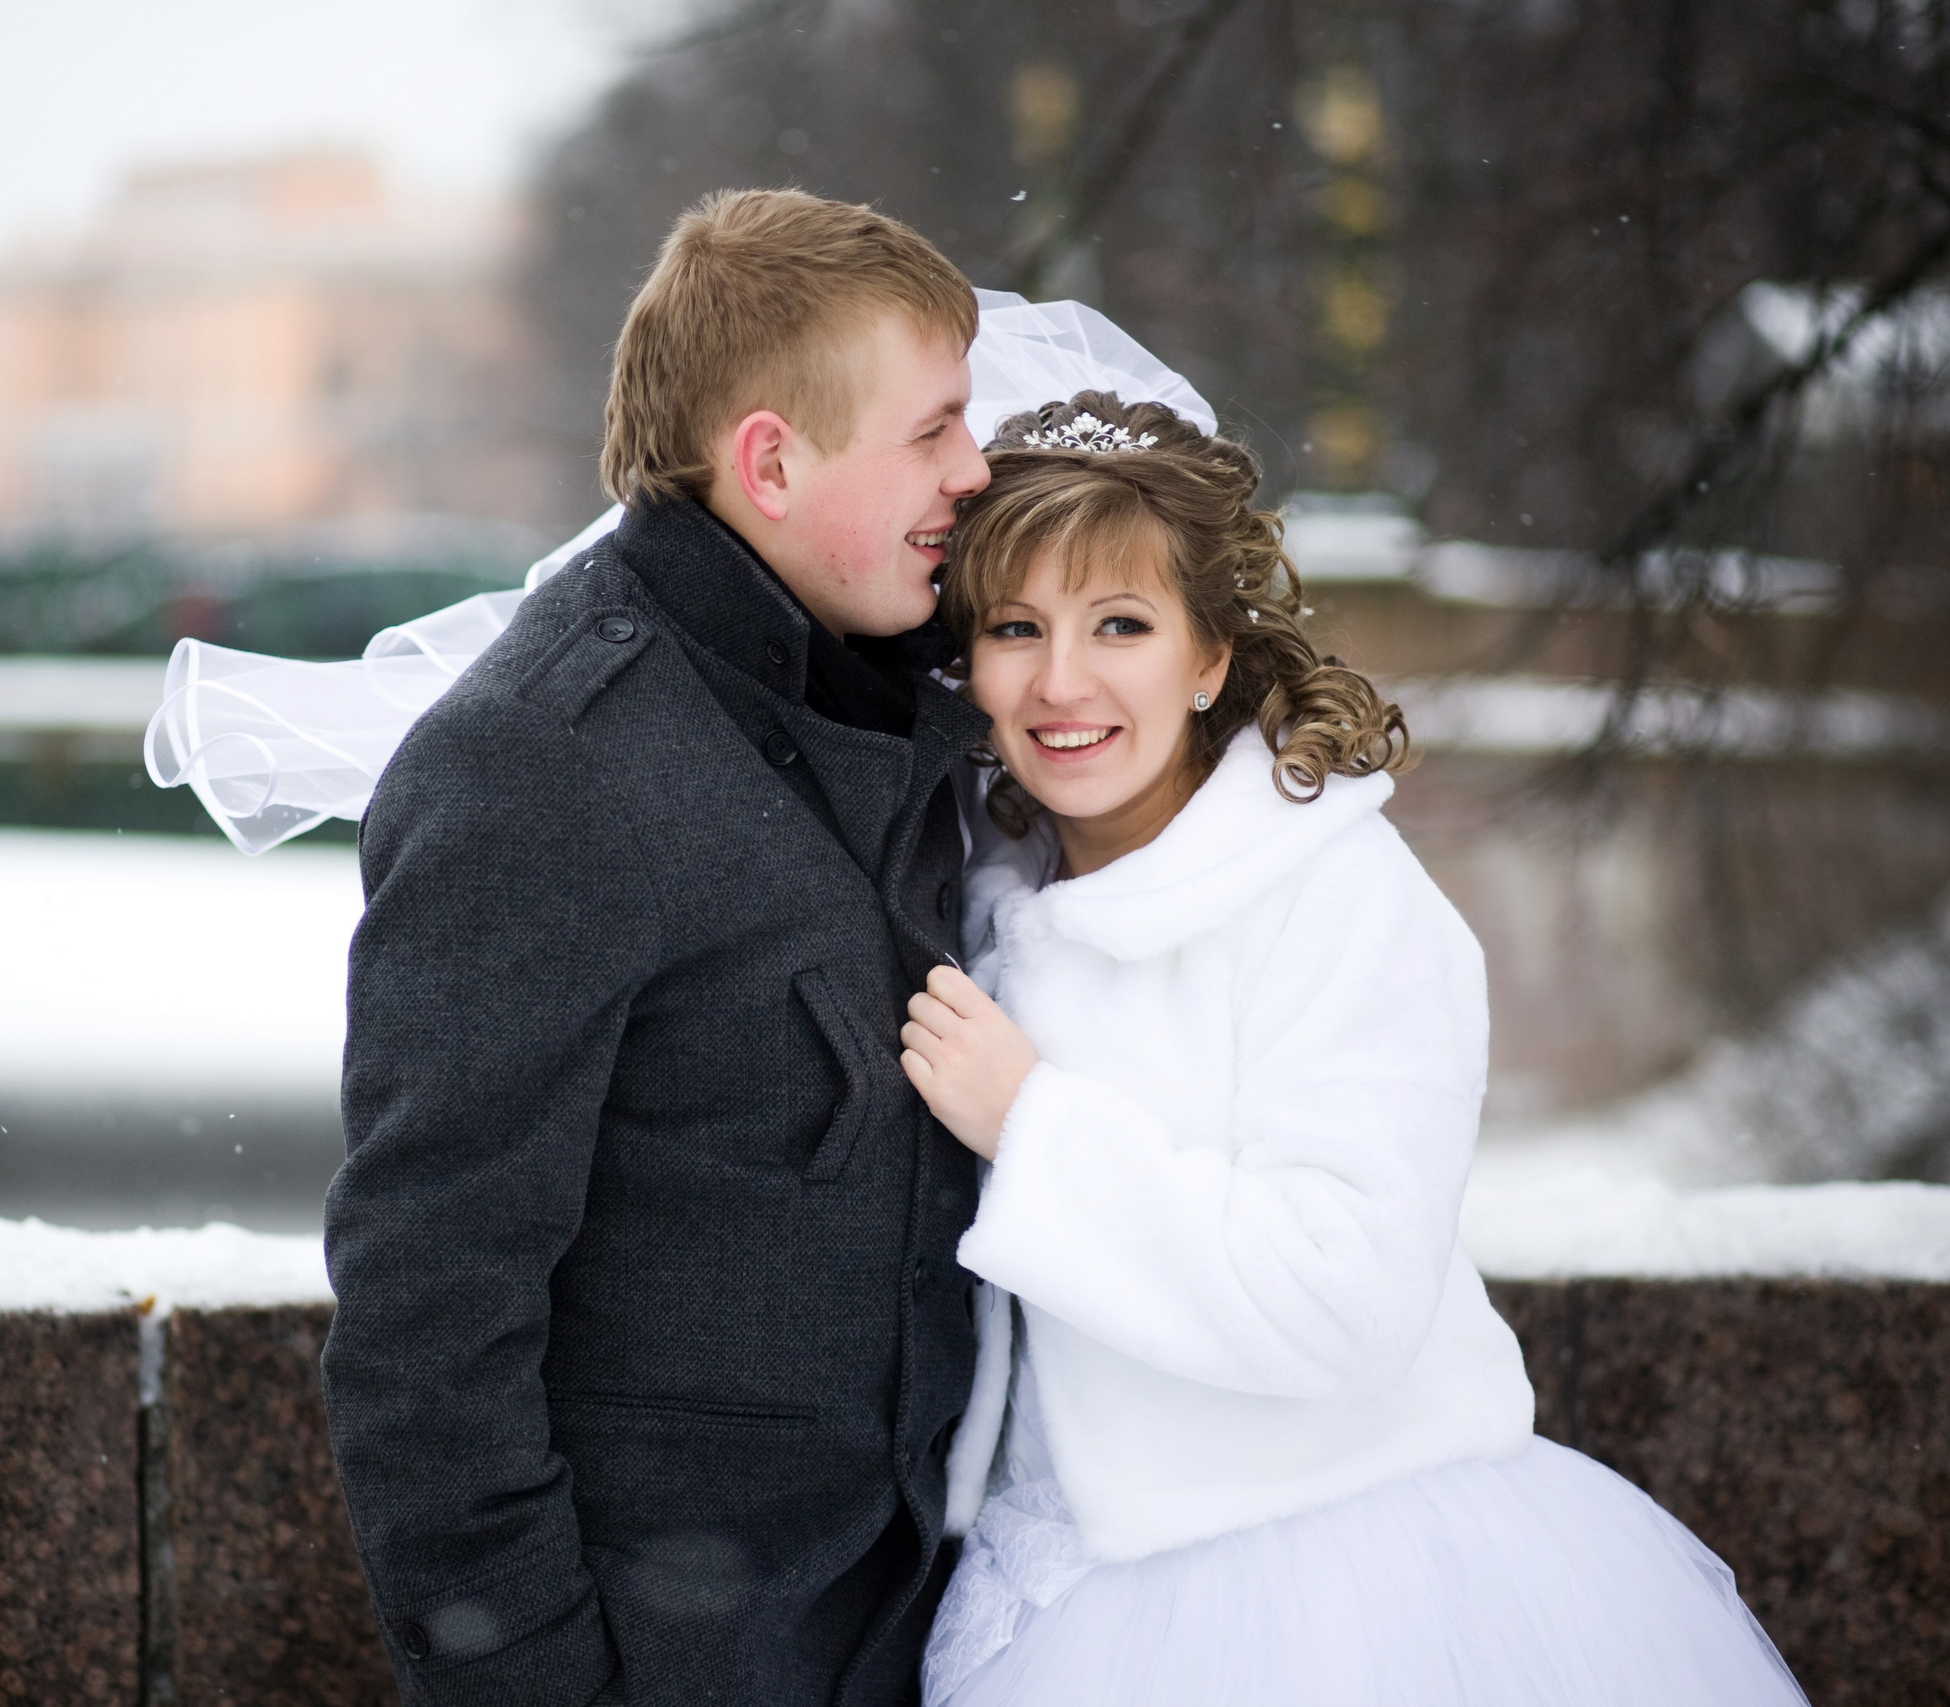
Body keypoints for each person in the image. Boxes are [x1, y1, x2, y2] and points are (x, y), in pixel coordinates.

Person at [895, 392, 1809, 1705]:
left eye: (1122, 627)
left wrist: (1038, 1129)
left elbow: (1345, 1298)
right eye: (1015, 629)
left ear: (1210, 656)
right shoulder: (977, 894)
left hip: (1321, 1594)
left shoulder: (1332, 896)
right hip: (1036, 1584)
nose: (1061, 683)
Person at [320, 188, 995, 1706]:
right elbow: (429, 1317)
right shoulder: (537, 763)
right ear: (770, 459)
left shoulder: (915, 690)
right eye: (935, 430)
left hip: (926, 1641)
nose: (978, 467)